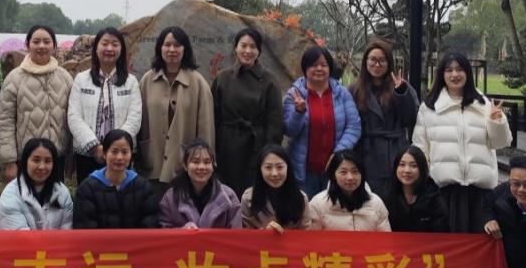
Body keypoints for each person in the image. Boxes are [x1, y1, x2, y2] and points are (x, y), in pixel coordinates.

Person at [413, 51, 511, 232]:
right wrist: (423, 185)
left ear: (467, 72)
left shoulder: (483, 104)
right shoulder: (429, 108)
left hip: (480, 192)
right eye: (449, 70)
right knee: (447, 243)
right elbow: (420, 149)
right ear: (441, 75)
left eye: (459, 69)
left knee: (479, 243)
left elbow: (500, 142)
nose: (455, 74)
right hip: (444, 191)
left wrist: (496, 121)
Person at [138, 26, 215, 196]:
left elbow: (206, 128)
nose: (172, 49)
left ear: (185, 49)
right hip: (153, 162)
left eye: (177, 45)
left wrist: (203, 161)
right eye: (167, 45)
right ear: (160, 48)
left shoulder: (198, 83)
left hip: (185, 165)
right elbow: (139, 122)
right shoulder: (147, 80)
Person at [211, 28, 284, 197]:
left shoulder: (269, 80)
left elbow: (275, 122)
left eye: (253, 47)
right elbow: (214, 116)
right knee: (225, 193)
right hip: (226, 145)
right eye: (243, 46)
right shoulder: (222, 78)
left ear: (259, 51)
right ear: (236, 48)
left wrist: (269, 153)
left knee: (253, 194)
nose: (248, 51)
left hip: (256, 146)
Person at [0, 24, 74, 182]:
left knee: (55, 197)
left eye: (46, 42)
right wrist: (9, 161)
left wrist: (71, 157)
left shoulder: (65, 78)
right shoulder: (14, 78)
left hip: (56, 157)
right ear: (28, 45)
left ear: (54, 45)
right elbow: (5, 120)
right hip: (25, 158)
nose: (41, 46)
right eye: (36, 41)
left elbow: (73, 117)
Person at [283, 45, 361, 198]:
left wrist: (339, 152)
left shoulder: (342, 93)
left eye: (323, 65)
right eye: (313, 65)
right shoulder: (294, 94)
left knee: (334, 209)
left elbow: (354, 126)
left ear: (329, 68)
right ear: (305, 68)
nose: (319, 68)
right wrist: (298, 112)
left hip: (335, 169)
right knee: (306, 209)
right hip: (304, 171)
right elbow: (289, 131)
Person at [68, 27, 142, 182]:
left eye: (115, 44)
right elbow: (74, 117)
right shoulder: (81, 79)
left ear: (121, 49)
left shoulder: (131, 82)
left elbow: (135, 118)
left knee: (121, 193)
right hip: (87, 154)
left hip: (121, 156)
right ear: (96, 48)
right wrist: (95, 147)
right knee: (89, 193)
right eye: (105, 43)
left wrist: (115, 148)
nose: (109, 48)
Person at [349, 40, 420, 196]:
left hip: (395, 151)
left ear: (389, 63)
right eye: (373, 60)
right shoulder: (354, 90)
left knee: (396, 198)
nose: (377, 64)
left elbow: (411, 119)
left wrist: (401, 93)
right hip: (366, 152)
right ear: (365, 62)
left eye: (382, 60)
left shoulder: (401, 86)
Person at [73, 129, 159, 229]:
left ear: (131, 154)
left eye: (125, 152)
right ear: (104, 154)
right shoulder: (87, 188)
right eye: (114, 151)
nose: (119, 157)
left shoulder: (143, 187)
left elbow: (150, 224)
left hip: (135, 240)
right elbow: (84, 227)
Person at [159, 139, 242, 229]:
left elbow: (236, 233)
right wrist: (182, 231)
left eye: (207, 162)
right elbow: (163, 231)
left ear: (213, 165)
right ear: (185, 165)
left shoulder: (229, 196)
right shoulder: (170, 197)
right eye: (195, 162)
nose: (202, 167)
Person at [0, 138, 74, 230]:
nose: (42, 167)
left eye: (47, 161)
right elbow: (19, 237)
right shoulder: (10, 196)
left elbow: (67, 232)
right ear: (25, 162)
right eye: (36, 160)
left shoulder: (62, 192)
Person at [309, 150, 391, 231]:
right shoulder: (318, 203)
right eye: (343, 172)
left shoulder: (376, 203)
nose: (350, 177)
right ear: (333, 175)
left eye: (355, 171)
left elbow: (385, 236)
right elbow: (312, 237)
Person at [241, 144, 313, 231]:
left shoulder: (301, 198)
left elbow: (306, 234)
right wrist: (264, 234)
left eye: (280, 167)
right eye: (268, 167)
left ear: (288, 168)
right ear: (260, 169)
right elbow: (245, 234)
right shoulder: (248, 198)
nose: (274, 173)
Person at [384, 146, 449, 233]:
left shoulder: (433, 198)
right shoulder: (387, 196)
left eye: (413, 166)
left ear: (422, 169)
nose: (407, 170)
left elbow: (442, 233)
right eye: (402, 165)